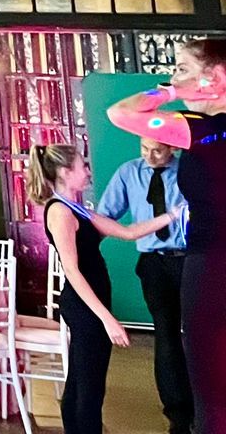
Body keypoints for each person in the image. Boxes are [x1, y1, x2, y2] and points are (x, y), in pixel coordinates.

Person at [110, 37, 226, 434]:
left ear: (214, 77)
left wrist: (171, 92)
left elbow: (122, 112)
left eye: (180, 69)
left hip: (213, 268)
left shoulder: (203, 130)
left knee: (213, 393)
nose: (173, 77)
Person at [30, 143, 176, 434]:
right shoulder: (60, 212)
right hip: (84, 307)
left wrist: (173, 215)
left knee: (81, 382)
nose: (88, 171)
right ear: (64, 172)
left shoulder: (78, 209)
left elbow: (128, 232)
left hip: (90, 305)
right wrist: (107, 319)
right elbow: (71, 270)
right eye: (82, 165)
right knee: (90, 387)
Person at [98, 137, 190, 434]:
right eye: (143, 148)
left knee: (200, 335)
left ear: (172, 148)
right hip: (153, 263)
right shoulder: (128, 172)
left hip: (191, 260)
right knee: (166, 334)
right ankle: (177, 415)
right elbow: (105, 216)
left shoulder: (188, 171)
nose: (149, 155)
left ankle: (207, 406)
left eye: (157, 150)